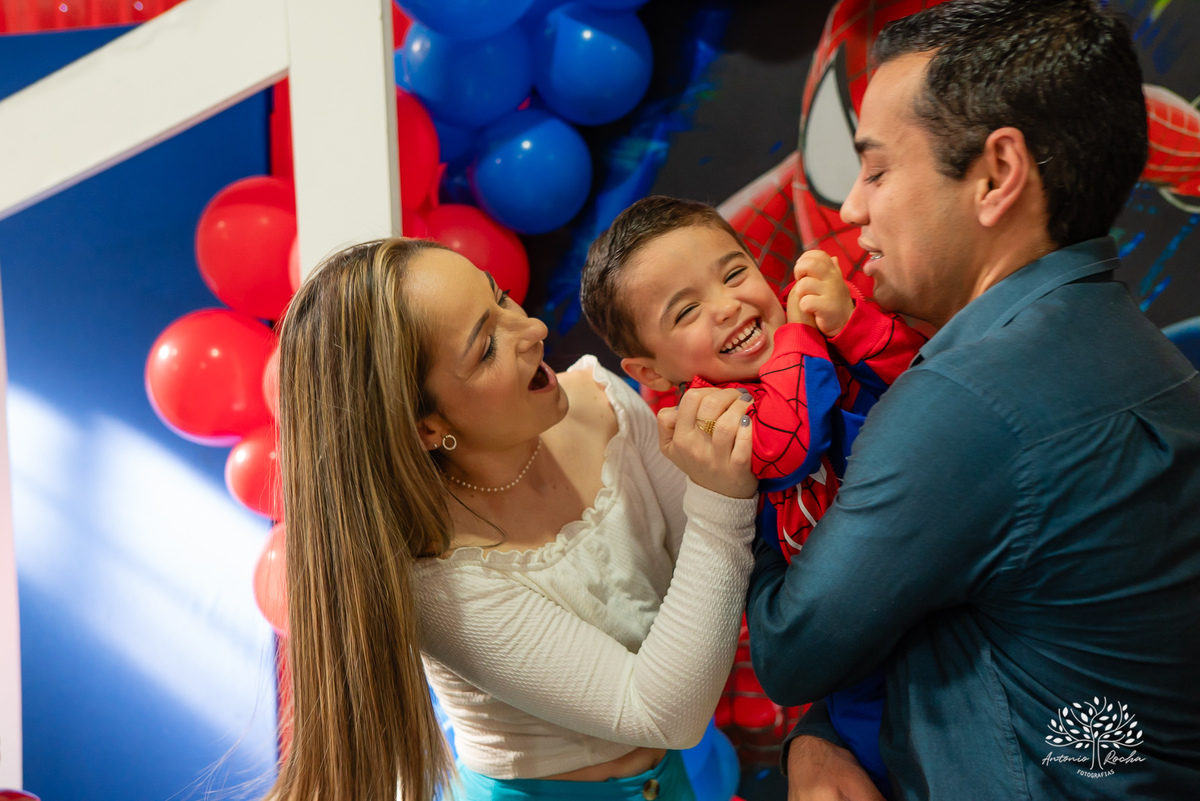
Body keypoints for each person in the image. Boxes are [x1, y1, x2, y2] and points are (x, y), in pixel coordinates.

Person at [744, 1, 1200, 799]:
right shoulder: (1146, 356)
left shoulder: (964, 404)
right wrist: (822, 736)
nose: (851, 208)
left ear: (996, 175)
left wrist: (735, 488)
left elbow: (791, 651)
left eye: (879, 169)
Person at [264, 237, 761, 801]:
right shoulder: (437, 573)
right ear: (426, 426)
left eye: (500, 297)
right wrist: (722, 496)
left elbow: (728, 578)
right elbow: (660, 711)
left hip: (669, 783)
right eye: (485, 349)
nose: (532, 331)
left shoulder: (601, 400)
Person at [580, 196, 925, 798]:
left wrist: (855, 324)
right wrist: (802, 334)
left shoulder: (820, 334)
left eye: (734, 272)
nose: (727, 304)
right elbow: (786, 442)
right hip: (855, 648)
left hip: (936, 584)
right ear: (653, 372)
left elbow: (917, 369)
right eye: (686, 310)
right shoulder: (709, 423)